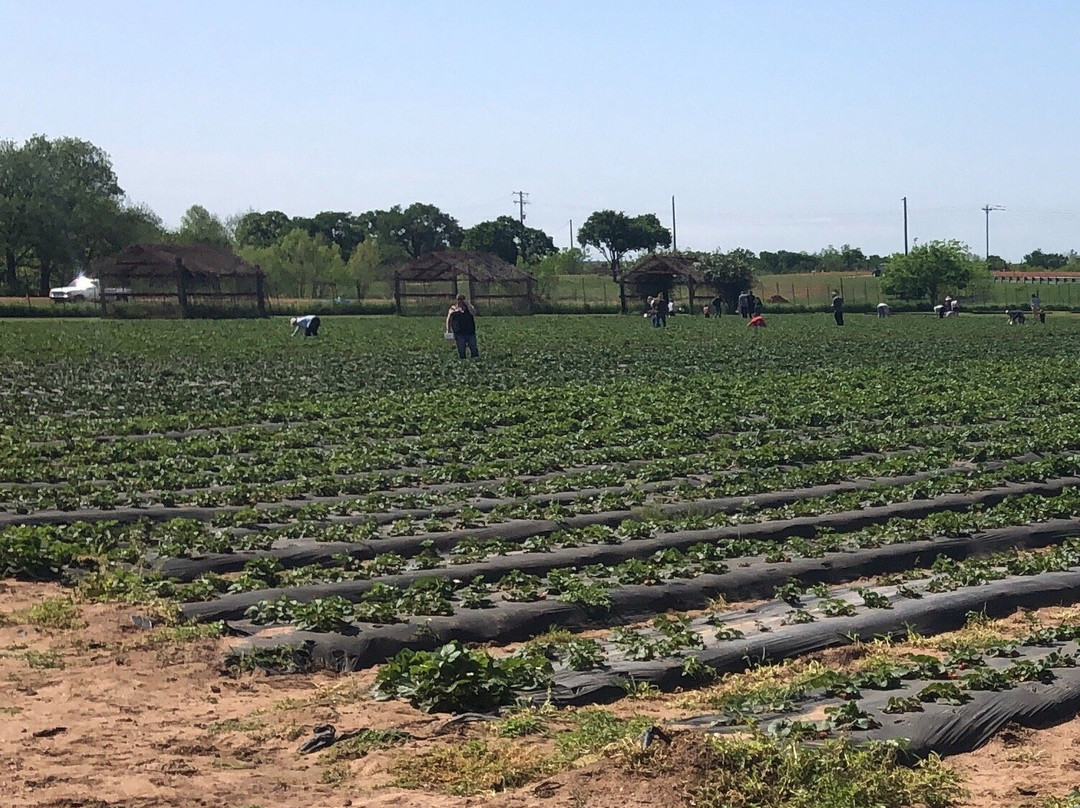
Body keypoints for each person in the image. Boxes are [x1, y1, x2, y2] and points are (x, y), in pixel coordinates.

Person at [445, 294, 478, 358]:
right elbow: (449, 320)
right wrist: (448, 330)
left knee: (474, 350)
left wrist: (468, 305)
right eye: (459, 299)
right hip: (459, 333)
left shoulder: (469, 308)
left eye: (462, 299)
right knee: (461, 351)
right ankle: (463, 363)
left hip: (470, 332)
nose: (460, 301)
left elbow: (474, 313)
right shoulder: (453, 309)